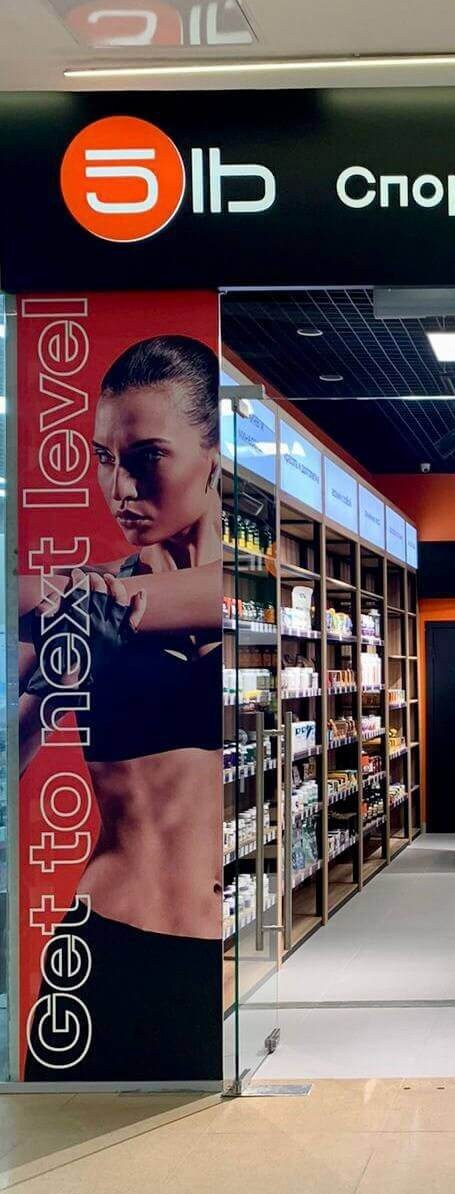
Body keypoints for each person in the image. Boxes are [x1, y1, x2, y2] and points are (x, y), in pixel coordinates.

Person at [18, 335, 224, 1082]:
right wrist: (52, 677)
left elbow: (218, 594)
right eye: (105, 458)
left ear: (214, 457)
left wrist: (89, 601)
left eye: (146, 457)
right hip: (103, 940)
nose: (120, 487)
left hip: (227, 949)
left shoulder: (252, 597)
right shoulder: (82, 603)